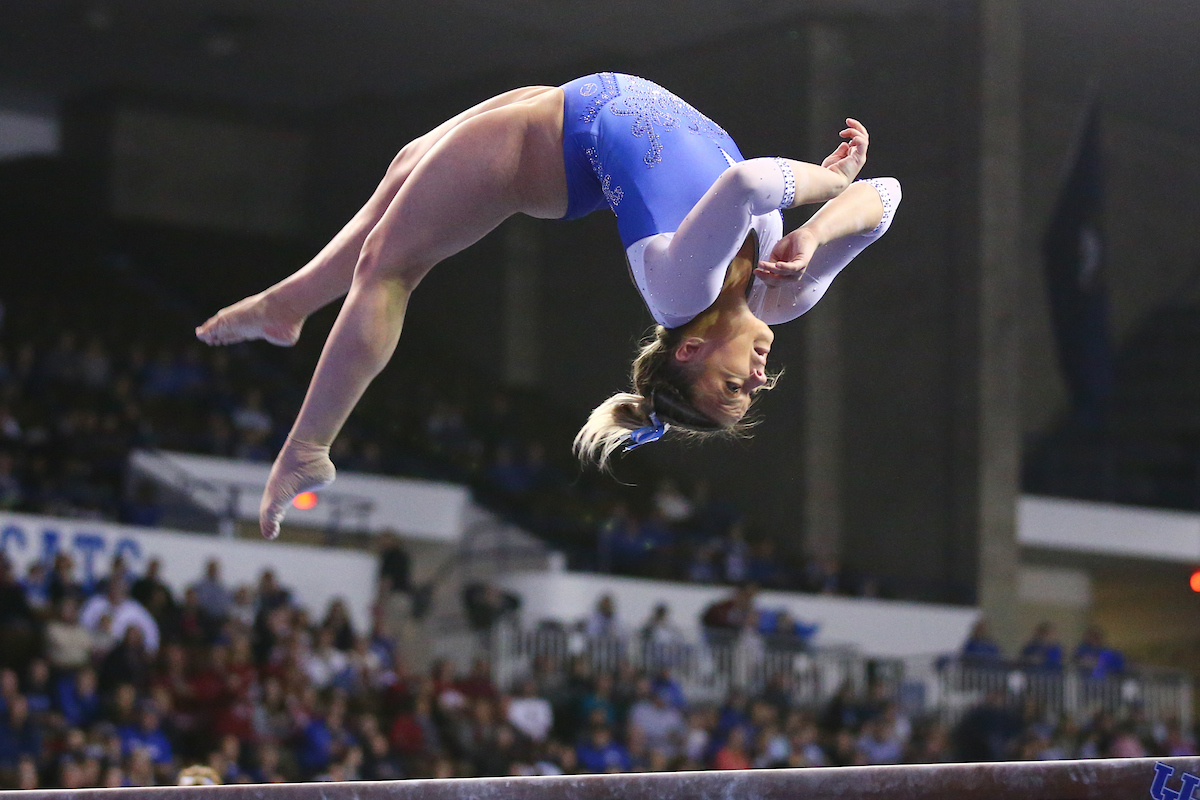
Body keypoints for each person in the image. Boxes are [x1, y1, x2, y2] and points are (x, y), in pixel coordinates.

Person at [196, 72, 900, 538]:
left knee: (391, 267)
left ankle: (307, 448)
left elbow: (749, 182)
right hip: (590, 112)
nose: (754, 380)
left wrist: (819, 188)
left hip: (550, 148)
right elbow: (887, 198)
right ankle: (287, 305)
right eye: (750, 393)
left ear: (689, 351)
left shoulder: (684, 293)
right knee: (408, 167)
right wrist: (817, 225)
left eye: (728, 389)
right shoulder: (783, 291)